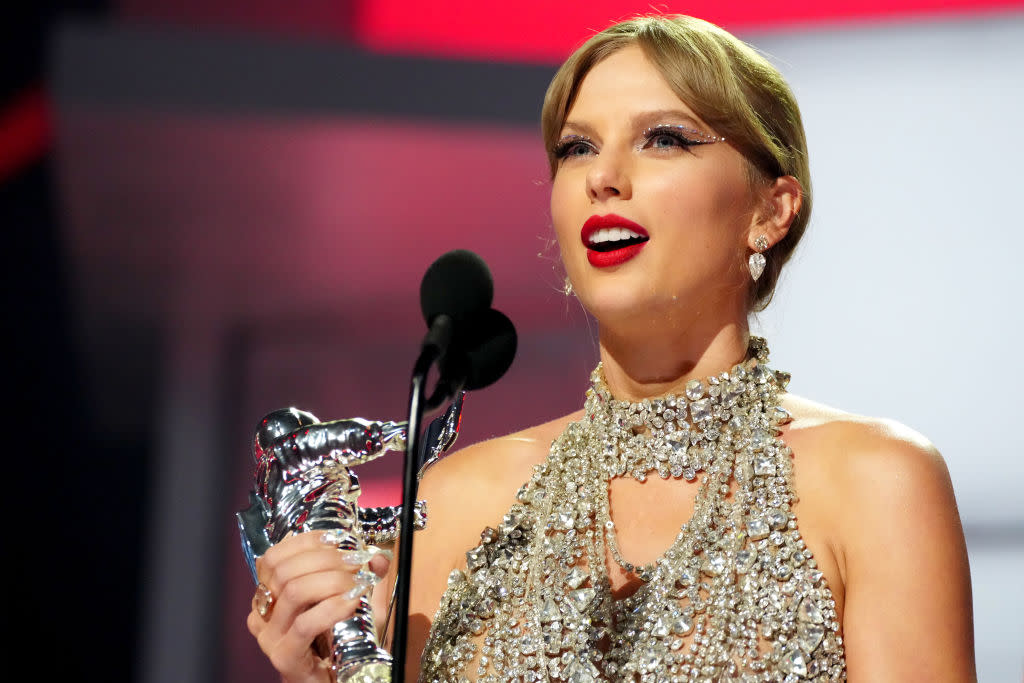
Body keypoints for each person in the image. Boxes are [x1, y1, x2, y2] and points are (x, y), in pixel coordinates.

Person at [246, 14, 975, 682]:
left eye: (663, 138)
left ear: (770, 208)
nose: (603, 177)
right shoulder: (456, 505)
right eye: (577, 147)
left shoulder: (875, 482)